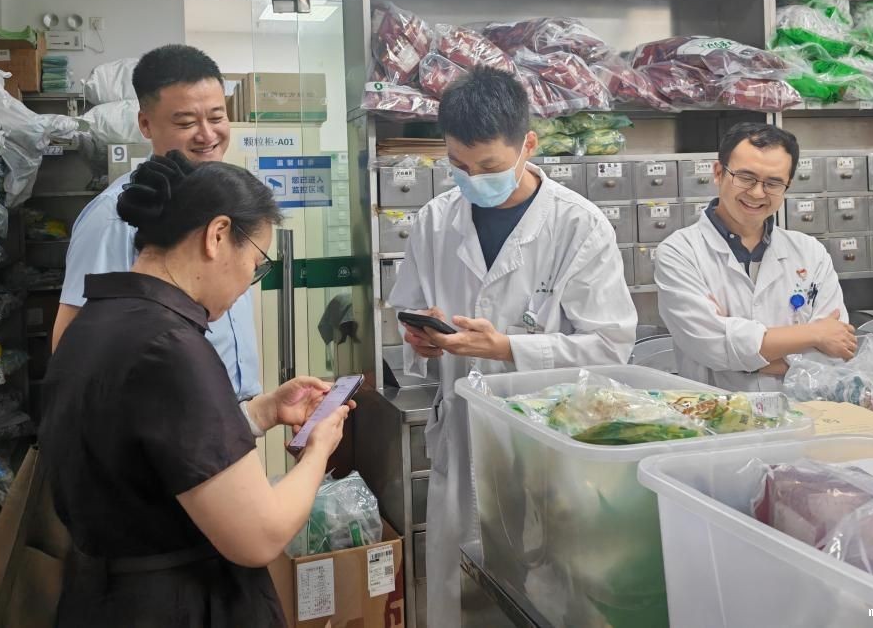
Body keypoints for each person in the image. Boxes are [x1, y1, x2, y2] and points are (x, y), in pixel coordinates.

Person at [39, 152, 352, 627]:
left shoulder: (100, 320)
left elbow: (147, 453)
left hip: (103, 598)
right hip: (173, 605)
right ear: (217, 235)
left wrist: (262, 411)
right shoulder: (171, 347)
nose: (248, 283)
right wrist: (319, 449)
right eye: (256, 263)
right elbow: (260, 536)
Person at [386, 67, 637, 627]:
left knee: (547, 596)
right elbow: (410, 312)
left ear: (528, 145)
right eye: (459, 166)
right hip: (462, 438)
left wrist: (507, 348)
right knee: (462, 598)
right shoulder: (434, 221)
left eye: (489, 166)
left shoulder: (578, 226)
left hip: (545, 446)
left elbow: (610, 346)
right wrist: (422, 340)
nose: (473, 179)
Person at [52, 45, 261, 402]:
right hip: (171, 423)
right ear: (145, 124)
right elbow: (73, 347)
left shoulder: (225, 200)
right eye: (186, 123)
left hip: (232, 414)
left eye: (217, 117)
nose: (207, 135)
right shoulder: (114, 216)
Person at [655, 122, 857, 391]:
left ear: (787, 187)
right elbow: (710, 346)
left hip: (801, 410)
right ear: (718, 173)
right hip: (718, 410)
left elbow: (835, 351)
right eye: (745, 177)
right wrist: (813, 334)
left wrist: (736, 350)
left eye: (773, 183)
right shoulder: (680, 252)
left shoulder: (810, 252)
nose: (757, 192)